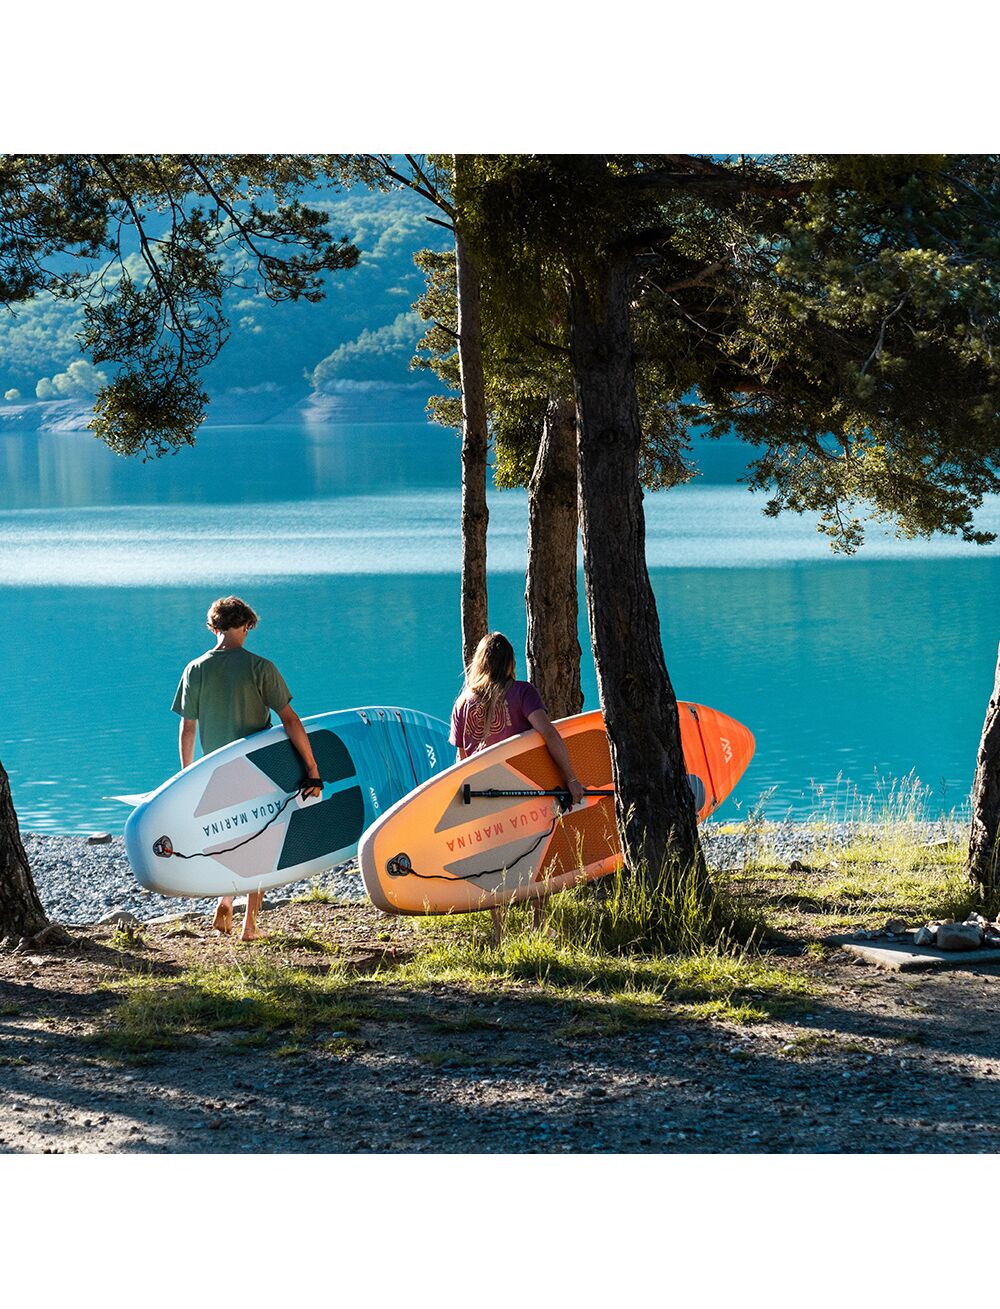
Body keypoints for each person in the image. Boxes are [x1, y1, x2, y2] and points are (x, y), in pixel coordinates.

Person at [171, 595, 321, 942]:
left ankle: (225, 900)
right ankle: (249, 926)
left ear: (214, 628)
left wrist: (185, 775)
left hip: (213, 772)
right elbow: (289, 720)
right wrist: (312, 767)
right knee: (261, 844)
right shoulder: (260, 667)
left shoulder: (195, 669)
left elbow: (188, 728)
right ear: (245, 626)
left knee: (229, 839)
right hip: (257, 769)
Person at [450, 631, 585, 944]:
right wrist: (571, 778)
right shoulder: (522, 692)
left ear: (479, 663)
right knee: (536, 854)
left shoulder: (463, 702)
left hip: (481, 796)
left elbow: (460, 761)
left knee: (492, 863)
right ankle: (538, 925)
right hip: (522, 790)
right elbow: (549, 734)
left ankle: (500, 932)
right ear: (511, 662)